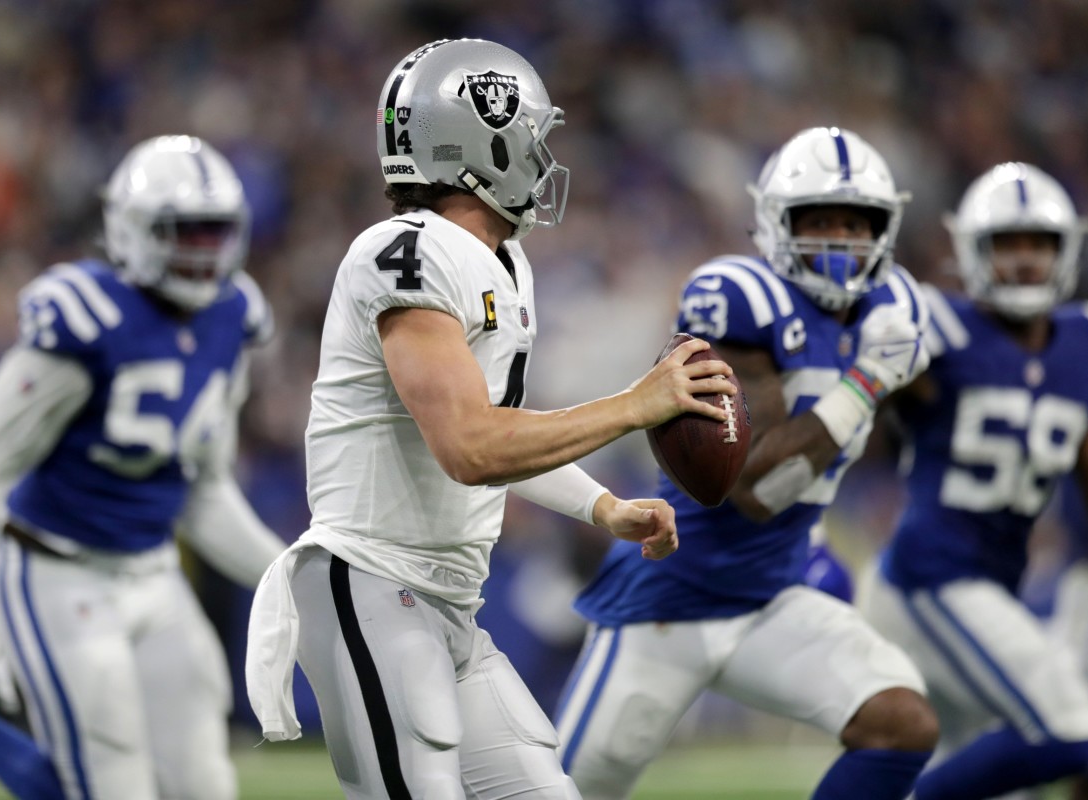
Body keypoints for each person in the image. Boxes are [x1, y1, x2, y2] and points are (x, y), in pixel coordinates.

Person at [243, 38, 737, 799]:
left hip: (448, 605)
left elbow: (500, 425)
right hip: (374, 587)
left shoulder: (501, 261)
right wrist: (636, 405)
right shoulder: (402, 253)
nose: (542, 158)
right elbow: (470, 447)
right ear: (485, 143)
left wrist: (600, 506)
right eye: (533, 137)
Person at [554, 126, 940, 800]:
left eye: (856, 224)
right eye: (818, 221)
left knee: (902, 723)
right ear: (775, 224)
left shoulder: (897, 306)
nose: (839, 243)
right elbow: (752, 489)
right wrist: (865, 383)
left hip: (773, 593)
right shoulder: (738, 299)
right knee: (560, 793)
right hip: (673, 598)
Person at [0, 134, 288, 800]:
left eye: (215, 233)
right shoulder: (84, 317)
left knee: (205, 784)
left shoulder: (233, 316)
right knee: (113, 785)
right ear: (132, 229)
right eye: (184, 232)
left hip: (154, 571)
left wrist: (288, 577)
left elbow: (203, 492)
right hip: (56, 572)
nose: (204, 251)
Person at [859, 161, 1088, 798]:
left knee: (1007, 781)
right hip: (928, 578)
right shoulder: (938, 325)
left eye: (1039, 243)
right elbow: (855, 401)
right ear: (973, 251)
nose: (1025, 260)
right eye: (1008, 244)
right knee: (1072, 729)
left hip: (990, 586)